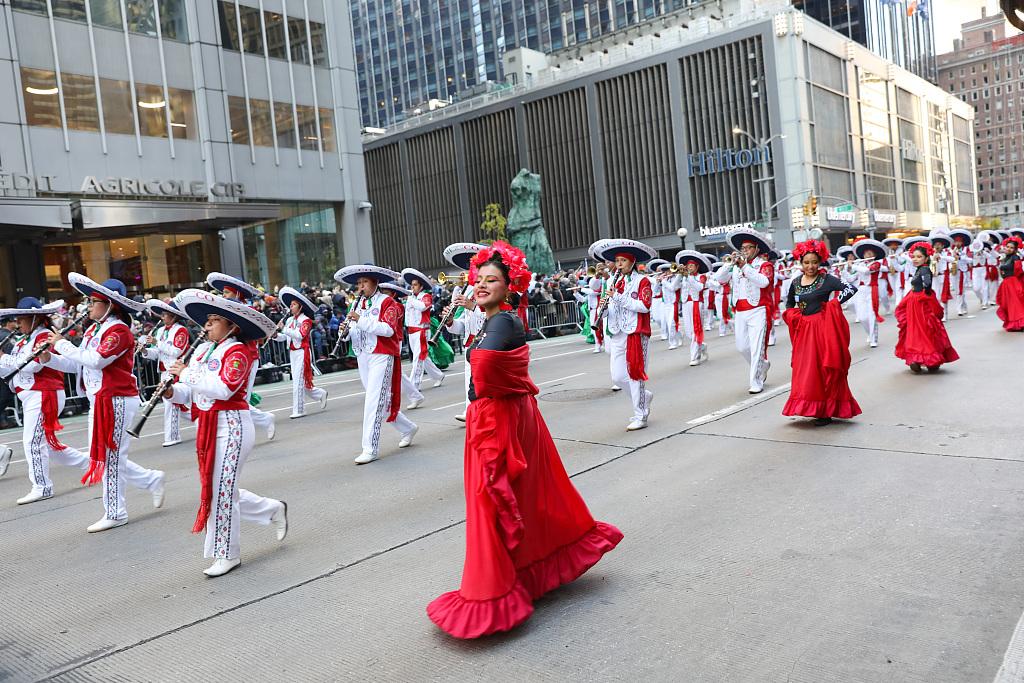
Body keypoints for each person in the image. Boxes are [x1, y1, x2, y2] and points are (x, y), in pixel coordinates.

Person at [427, 241, 622, 639]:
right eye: (477, 279)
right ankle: (526, 572)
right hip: (505, 414)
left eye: (491, 280)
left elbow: (484, 372)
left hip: (497, 419)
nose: (480, 285)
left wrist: (478, 354)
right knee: (522, 497)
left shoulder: (501, 323)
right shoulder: (494, 318)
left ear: (510, 283)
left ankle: (494, 595)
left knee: (491, 501)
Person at [165, 290, 287, 577]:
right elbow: (191, 393)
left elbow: (224, 388)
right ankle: (272, 509)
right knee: (221, 490)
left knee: (222, 492)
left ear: (232, 325)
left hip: (232, 426)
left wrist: (186, 374)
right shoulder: (201, 351)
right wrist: (172, 390)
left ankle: (227, 554)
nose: (206, 325)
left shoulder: (239, 352)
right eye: (207, 320)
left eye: (214, 320)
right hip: (207, 425)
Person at [45, 275, 165, 532]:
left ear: (110, 304)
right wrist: (48, 358)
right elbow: (76, 363)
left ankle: (115, 512)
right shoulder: (94, 329)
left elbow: (97, 359)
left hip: (116, 398)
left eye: (94, 301)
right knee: (104, 456)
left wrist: (62, 344)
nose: (88, 305)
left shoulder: (119, 330)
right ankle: (150, 479)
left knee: (110, 457)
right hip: (100, 399)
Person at [0, 298, 91, 503]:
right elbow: (12, 368)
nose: (18, 323)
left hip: (43, 394)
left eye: (21, 318)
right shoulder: (25, 339)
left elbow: (31, 365)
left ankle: (41, 486)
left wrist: (1, 358)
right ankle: (92, 462)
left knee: (32, 441)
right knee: (48, 446)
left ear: (33, 319)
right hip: (33, 395)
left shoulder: (44, 336)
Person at [334, 265, 418, 464]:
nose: (361, 287)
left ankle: (369, 448)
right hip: (363, 354)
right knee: (381, 401)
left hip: (382, 354)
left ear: (375, 282)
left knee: (372, 401)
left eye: (365, 282)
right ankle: (408, 428)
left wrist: (360, 320)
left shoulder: (387, 301)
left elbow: (388, 329)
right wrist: (344, 333)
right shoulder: (357, 304)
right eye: (359, 283)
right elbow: (355, 331)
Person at [781, 240, 861, 426]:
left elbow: (850, 288)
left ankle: (825, 411)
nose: (810, 266)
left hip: (821, 329)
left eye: (815, 262)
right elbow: (789, 303)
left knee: (823, 368)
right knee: (806, 370)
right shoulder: (795, 282)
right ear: (800, 263)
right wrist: (792, 315)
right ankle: (810, 405)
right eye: (806, 262)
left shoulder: (826, 279)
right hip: (804, 332)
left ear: (820, 261)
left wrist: (832, 304)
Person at [593, 238, 657, 430]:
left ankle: (641, 415)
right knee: (618, 377)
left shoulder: (643, 280)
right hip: (617, 332)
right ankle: (644, 398)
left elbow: (644, 306)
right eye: (617, 261)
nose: (619, 265)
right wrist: (602, 311)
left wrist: (617, 297)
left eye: (623, 261)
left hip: (636, 332)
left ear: (632, 262)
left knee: (635, 375)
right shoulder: (613, 282)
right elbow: (610, 308)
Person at [205, 273, 276, 440]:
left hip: (247, 358)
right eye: (223, 293)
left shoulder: (249, 311)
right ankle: (259, 421)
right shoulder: (224, 312)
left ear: (238, 294)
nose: (223, 296)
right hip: (228, 357)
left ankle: (246, 430)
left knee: (239, 398)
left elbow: (260, 336)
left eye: (226, 293)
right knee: (229, 397)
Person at [714, 228, 775, 394]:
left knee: (756, 347)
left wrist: (746, 267)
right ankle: (762, 365)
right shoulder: (734, 266)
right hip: (740, 311)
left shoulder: (765, 265)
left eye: (748, 247)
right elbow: (719, 279)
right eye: (743, 248)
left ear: (756, 250)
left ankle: (756, 381)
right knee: (742, 347)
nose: (745, 251)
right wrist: (728, 264)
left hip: (758, 309)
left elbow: (763, 282)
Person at [894, 242, 960, 373]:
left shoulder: (924, 269)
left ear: (925, 258)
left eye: (918, 257)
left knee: (924, 331)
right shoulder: (920, 269)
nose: (915, 259)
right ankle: (921, 359)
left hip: (920, 304)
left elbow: (928, 283)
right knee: (919, 332)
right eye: (913, 256)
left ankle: (928, 359)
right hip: (915, 302)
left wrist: (924, 295)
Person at [140, 298, 192, 447]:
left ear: (174, 316)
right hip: (164, 371)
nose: (161, 317)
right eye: (161, 314)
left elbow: (177, 351)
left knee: (171, 403)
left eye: (164, 314)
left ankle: (172, 436)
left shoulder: (181, 331)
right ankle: (201, 420)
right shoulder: (161, 331)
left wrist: (157, 343)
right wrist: (145, 350)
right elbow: (157, 353)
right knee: (175, 403)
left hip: (176, 370)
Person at [274, 286, 328, 419]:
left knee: (297, 382)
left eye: (293, 305)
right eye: (290, 305)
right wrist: (276, 336)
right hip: (292, 352)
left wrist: (284, 329)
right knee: (300, 382)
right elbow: (286, 337)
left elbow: (300, 335)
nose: (290, 307)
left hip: (302, 352)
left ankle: (299, 409)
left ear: (300, 307)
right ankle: (320, 394)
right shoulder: (289, 320)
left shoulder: (306, 320)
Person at [378, 281, 426, 409]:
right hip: (388, 340)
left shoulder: (397, 305)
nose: (384, 295)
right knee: (394, 371)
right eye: (383, 292)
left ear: (393, 294)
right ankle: (415, 396)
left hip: (395, 340)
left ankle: (387, 403)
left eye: (387, 293)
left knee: (390, 371)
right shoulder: (385, 304)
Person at [401, 268, 446, 392]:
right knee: (422, 356)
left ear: (421, 286)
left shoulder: (425, 296)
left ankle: (414, 385)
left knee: (418, 357)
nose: (413, 287)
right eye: (412, 285)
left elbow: (422, 307)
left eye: (415, 285)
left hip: (421, 330)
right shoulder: (412, 297)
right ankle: (438, 375)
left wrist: (410, 299)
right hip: (411, 330)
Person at [850, 238, 889, 349]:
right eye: (866, 253)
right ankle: (868, 333)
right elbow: (852, 277)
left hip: (872, 289)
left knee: (871, 315)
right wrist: (843, 270)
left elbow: (867, 270)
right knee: (862, 317)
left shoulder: (876, 263)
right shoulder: (861, 263)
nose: (868, 255)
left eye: (870, 253)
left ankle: (873, 339)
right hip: (861, 291)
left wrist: (852, 265)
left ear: (874, 254)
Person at [675, 251, 711, 367]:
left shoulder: (701, 277)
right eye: (688, 266)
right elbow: (674, 287)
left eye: (692, 266)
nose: (689, 267)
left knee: (695, 331)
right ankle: (702, 346)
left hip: (697, 304)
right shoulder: (683, 278)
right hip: (685, 304)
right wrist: (679, 275)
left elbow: (699, 287)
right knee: (689, 333)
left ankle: (695, 357)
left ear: (697, 267)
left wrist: (688, 276)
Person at [995, 236, 1024, 331]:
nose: (1009, 249)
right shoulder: (1004, 258)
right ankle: (1014, 323)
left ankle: (1020, 324)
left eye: (1011, 248)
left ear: (1015, 249)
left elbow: (1019, 270)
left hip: (1013, 282)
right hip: (1006, 283)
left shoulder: (1015, 257)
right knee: (1007, 304)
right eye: (1008, 247)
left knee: (1016, 304)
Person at [929, 231, 954, 322]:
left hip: (943, 276)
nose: (937, 246)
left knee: (943, 296)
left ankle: (944, 315)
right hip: (934, 276)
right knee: (935, 296)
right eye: (936, 244)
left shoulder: (947, 253)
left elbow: (953, 259)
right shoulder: (931, 254)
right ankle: (936, 313)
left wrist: (941, 257)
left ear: (943, 246)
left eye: (939, 244)